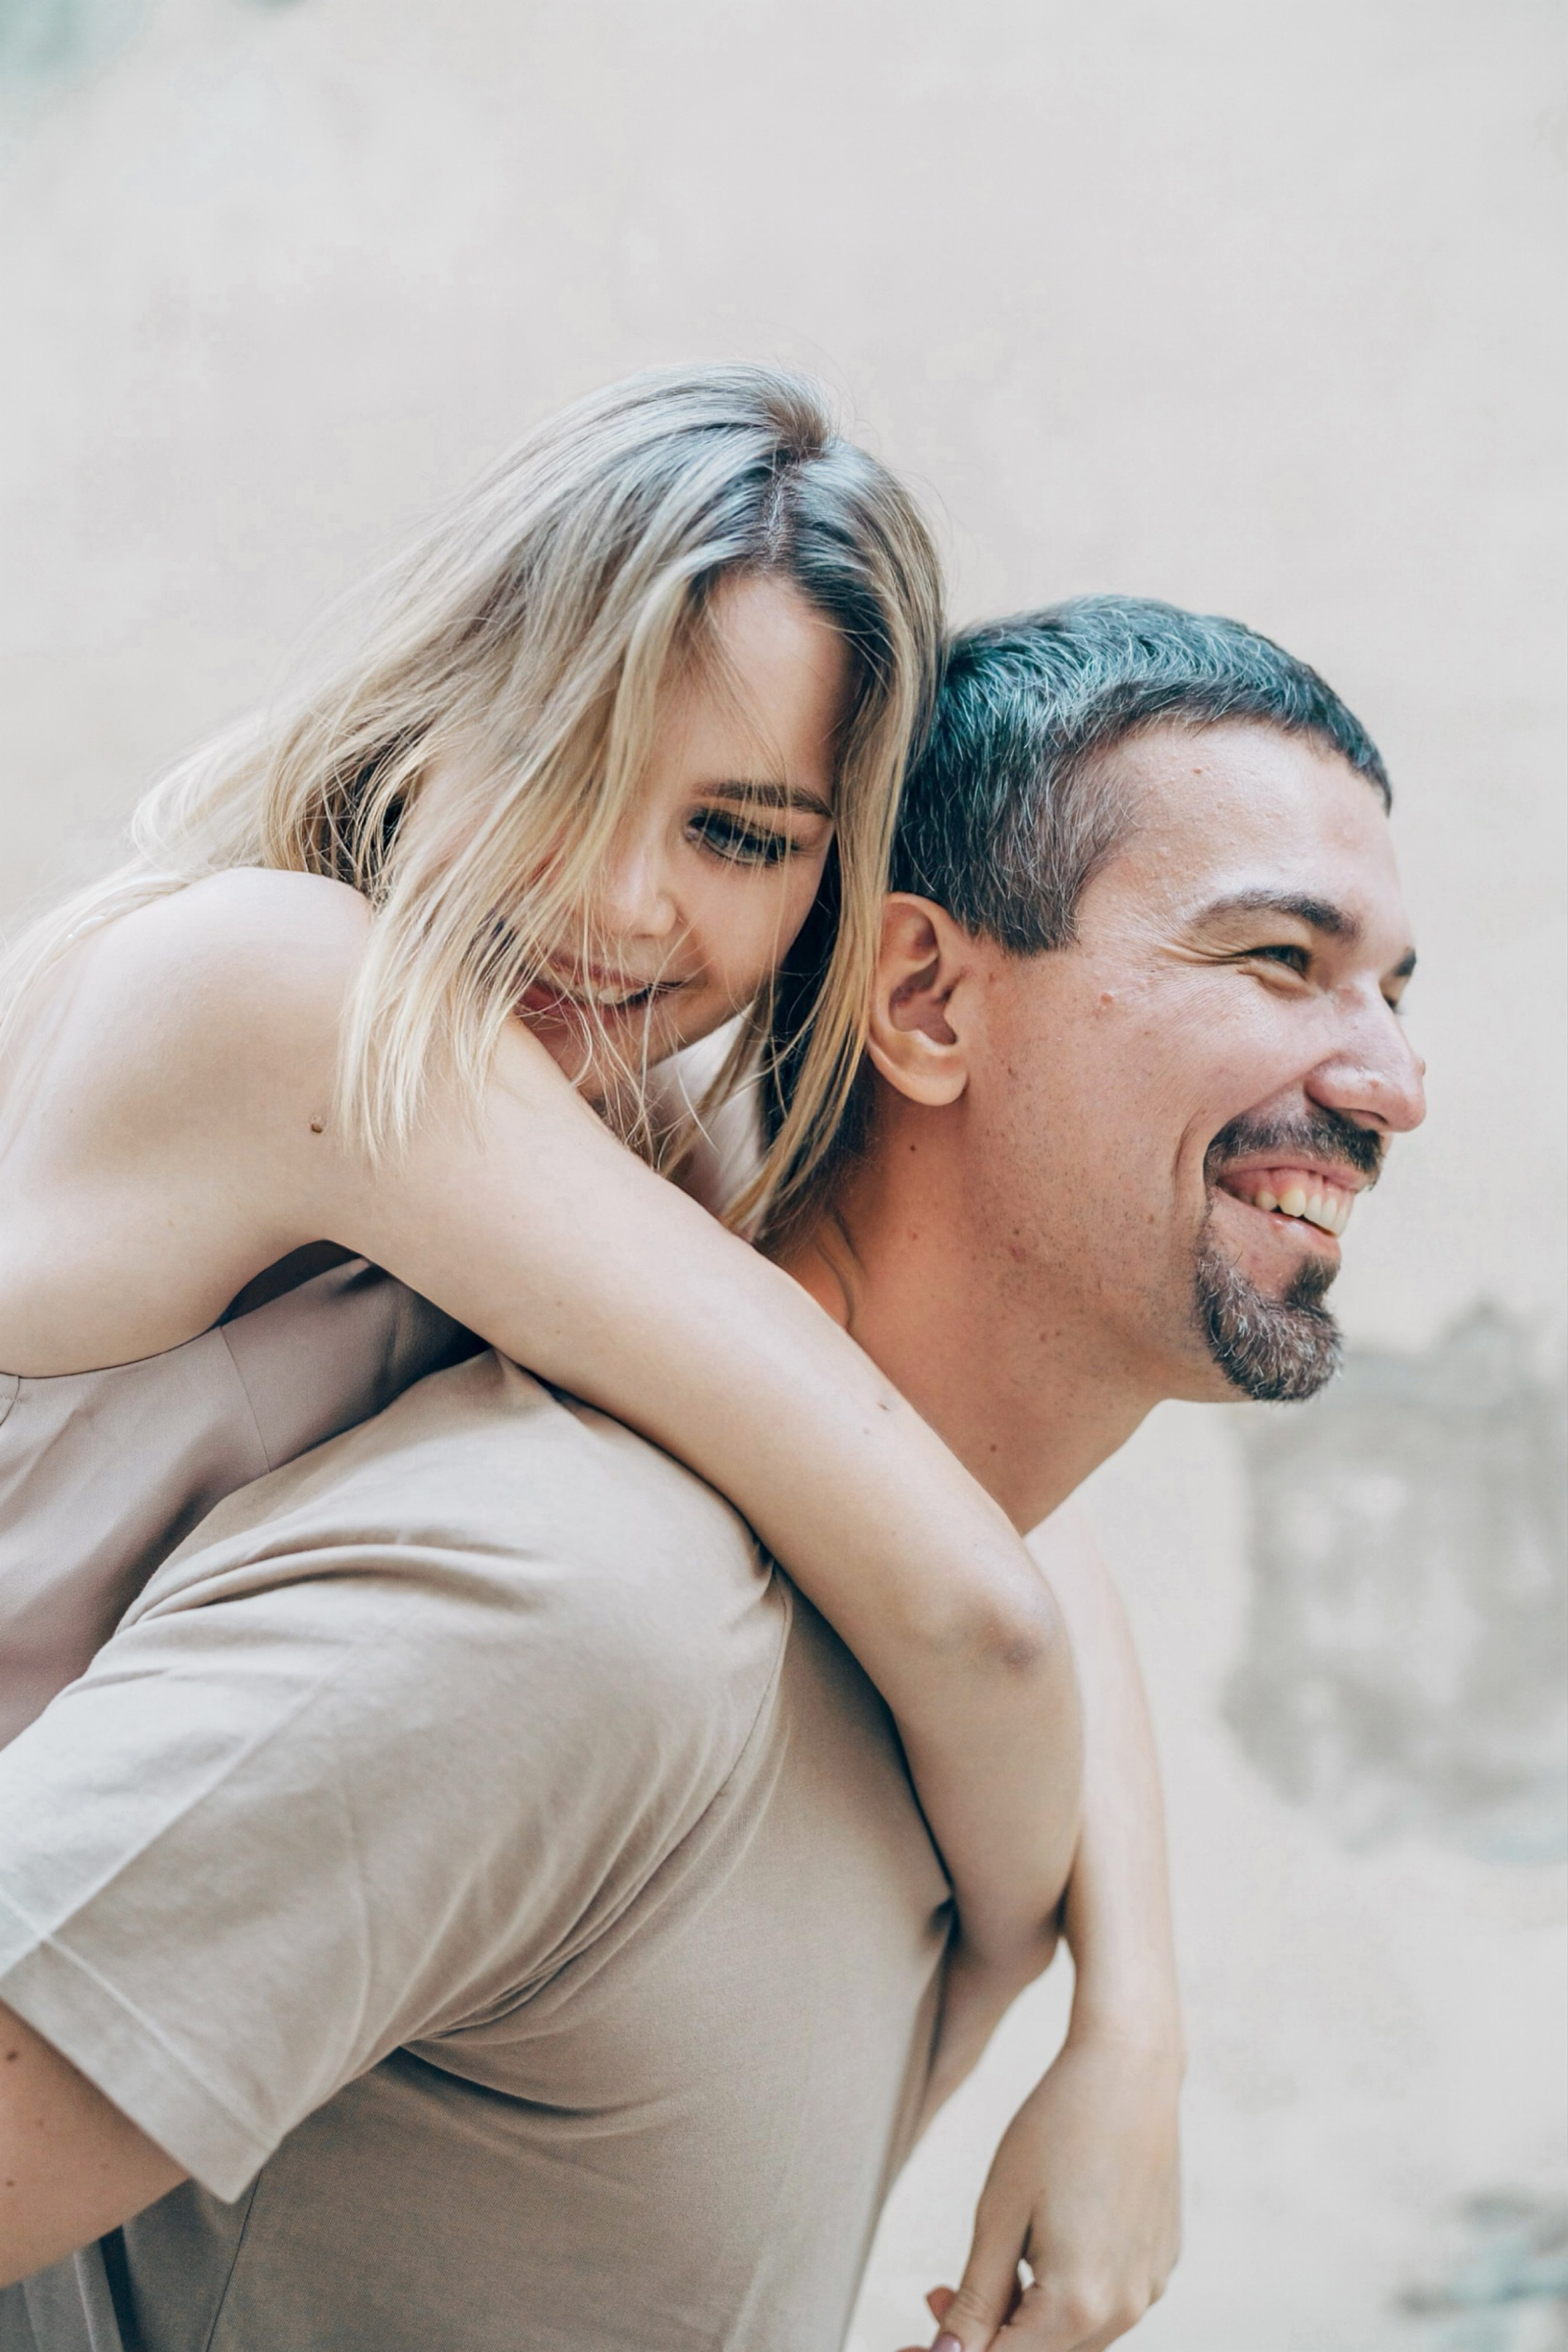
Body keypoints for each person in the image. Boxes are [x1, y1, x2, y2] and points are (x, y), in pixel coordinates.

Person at [0, 597, 1427, 2351]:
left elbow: (1001, 1568)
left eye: (1390, 987)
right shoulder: (563, 1612)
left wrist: (1136, 2017)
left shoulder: (878, 1567)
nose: (1396, 1083)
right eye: (1278, 961)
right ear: (918, 993)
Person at [0, 366, 1084, 2078]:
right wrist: (1018, 1984)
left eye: (737, 833)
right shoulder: (281, 993)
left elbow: (965, 1496)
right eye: (564, 767)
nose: (627, 903)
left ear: (828, 885)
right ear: (430, 711)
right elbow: (982, 1619)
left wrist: (1142, 2023)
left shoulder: (615, 1123)